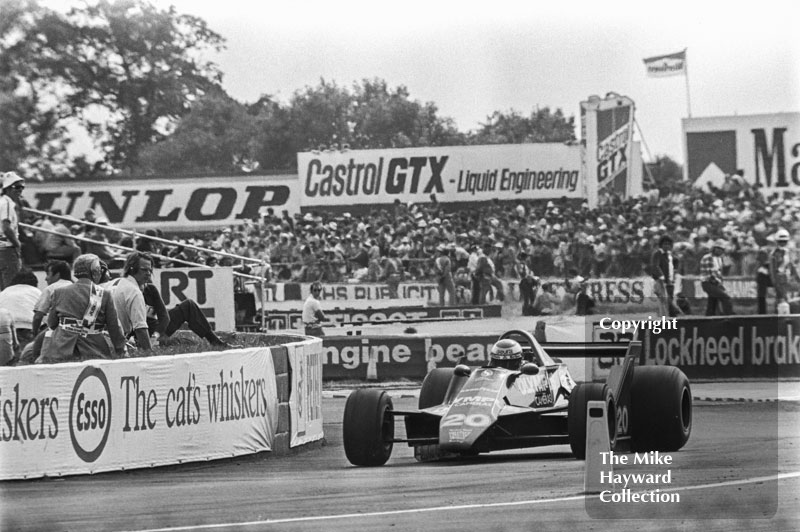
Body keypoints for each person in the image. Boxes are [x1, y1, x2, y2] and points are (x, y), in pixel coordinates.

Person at [39, 254, 127, 363]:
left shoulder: (59, 292)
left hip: (61, 350)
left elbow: (52, 323)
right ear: (95, 272)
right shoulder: (105, 294)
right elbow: (114, 326)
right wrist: (120, 349)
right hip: (94, 351)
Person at [108, 251, 154, 352]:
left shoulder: (113, 282)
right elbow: (140, 328)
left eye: (150, 270)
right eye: (144, 270)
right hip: (116, 342)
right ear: (132, 269)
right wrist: (150, 354)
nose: (148, 273)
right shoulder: (134, 292)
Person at [0, 269, 41, 353]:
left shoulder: (4, 292)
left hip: (5, 327)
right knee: (26, 353)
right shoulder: (36, 292)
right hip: (28, 325)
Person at [31, 260, 73, 334]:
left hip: (59, 331)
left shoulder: (51, 289)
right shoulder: (76, 287)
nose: (46, 278)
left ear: (57, 275)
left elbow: (38, 316)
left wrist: (35, 334)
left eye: (48, 274)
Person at [0, 171, 25, 290]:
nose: (20, 190)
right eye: (17, 187)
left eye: (22, 187)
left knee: (3, 291)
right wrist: (17, 244)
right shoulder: (8, 204)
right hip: (7, 250)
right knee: (12, 288)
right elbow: (6, 227)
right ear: (8, 188)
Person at [699, 239, 734, 316]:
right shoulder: (708, 257)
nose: (720, 251)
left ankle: (708, 319)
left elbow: (720, 274)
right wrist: (720, 286)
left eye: (722, 249)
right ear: (714, 248)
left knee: (712, 303)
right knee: (726, 298)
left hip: (715, 283)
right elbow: (711, 275)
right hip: (708, 283)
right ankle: (729, 317)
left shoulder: (719, 259)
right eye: (718, 248)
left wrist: (727, 265)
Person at [651, 235, 681, 317]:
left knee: (670, 298)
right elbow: (655, 266)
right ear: (661, 245)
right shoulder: (658, 253)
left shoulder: (670, 255)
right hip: (661, 281)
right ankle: (673, 313)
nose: (667, 246)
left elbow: (676, 261)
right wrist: (661, 276)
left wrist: (674, 272)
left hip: (670, 281)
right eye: (665, 244)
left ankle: (674, 316)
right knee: (665, 301)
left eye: (668, 244)